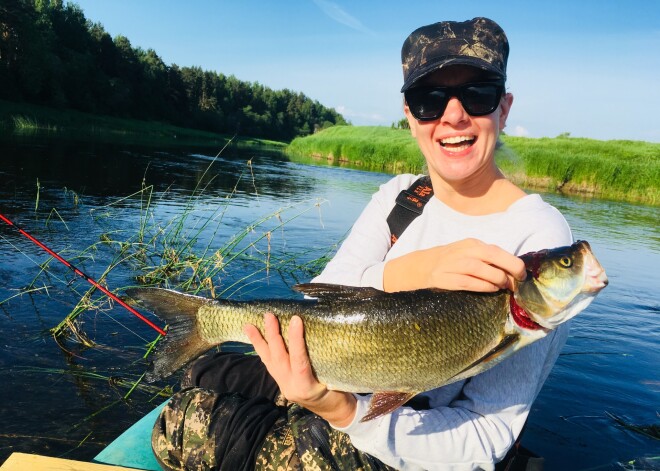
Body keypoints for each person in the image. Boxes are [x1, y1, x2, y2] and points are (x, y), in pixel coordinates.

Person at [151, 17, 572, 471]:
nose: (453, 115)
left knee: (183, 423)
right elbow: (324, 292)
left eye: (478, 95)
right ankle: (209, 330)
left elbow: (485, 438)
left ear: (504, 108)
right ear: (409, 116)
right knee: (204, 374)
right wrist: (413, 271)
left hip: (403, 438)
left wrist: (340, 410)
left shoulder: (538, 239)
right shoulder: (402, 198)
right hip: (340, 372)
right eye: (429, 100)